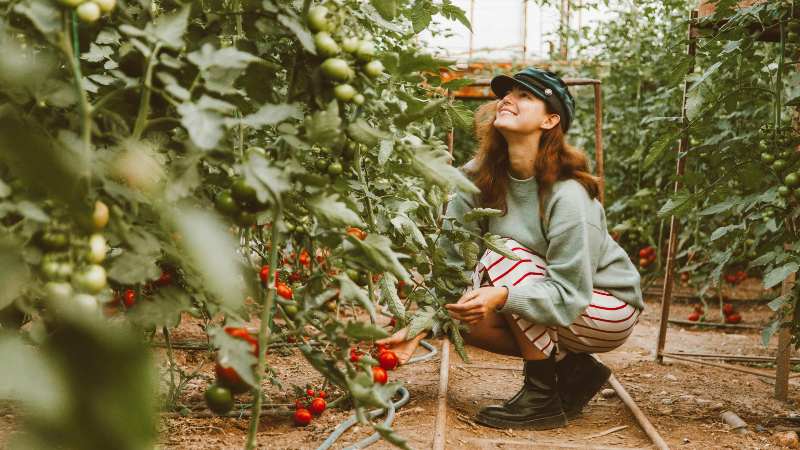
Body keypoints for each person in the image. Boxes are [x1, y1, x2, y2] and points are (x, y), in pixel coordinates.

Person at [377, 67, 644, 430]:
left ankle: (540, 397)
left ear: (551, 120)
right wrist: (418, 329)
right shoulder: (478, 178)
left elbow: (569, 294)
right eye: (507, 93)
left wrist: (501, 295)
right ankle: (574, 371)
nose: (508, 99)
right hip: (549, 294)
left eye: (525, 96)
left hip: (604, 307)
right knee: (461, 313)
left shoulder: (567, 195)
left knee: (500, 253)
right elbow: (450, 264)